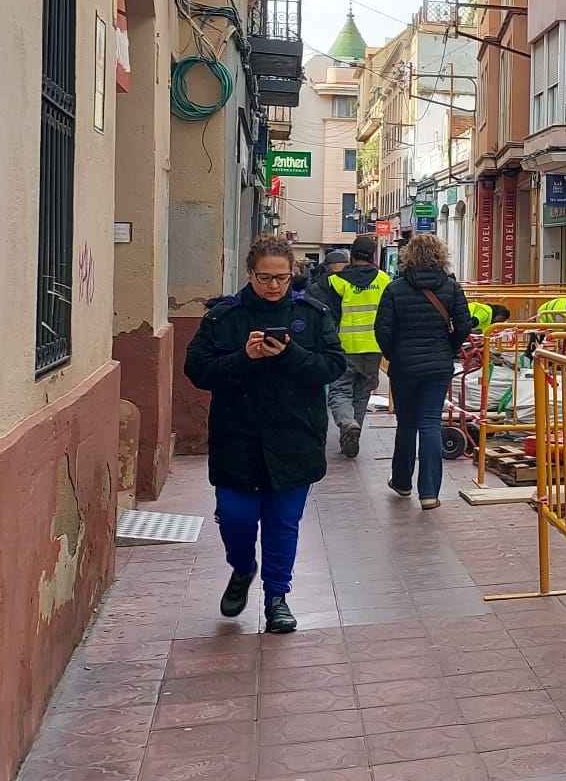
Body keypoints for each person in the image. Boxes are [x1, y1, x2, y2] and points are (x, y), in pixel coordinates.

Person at [183, 234, 346, 633]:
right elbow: (197, 370)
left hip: (295, 437)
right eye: (265, 277)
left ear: (293, 274)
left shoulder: (312, 314)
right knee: (235, 517)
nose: (274, 285)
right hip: (237, 437)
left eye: (282, 278)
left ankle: (277, 598)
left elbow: (333, 366)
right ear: (249, 273)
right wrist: (245, 356)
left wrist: (291, 354)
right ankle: (242, 568)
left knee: (282, 523)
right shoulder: (224, 317)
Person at [376, 233, 472, 509]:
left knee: (406, 423)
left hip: (404, 365)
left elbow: (382, 330)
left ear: (408, 256)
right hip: (438, 366)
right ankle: (429, 493)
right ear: (440, 256)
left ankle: (402, 481)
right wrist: (447, 348)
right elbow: (464, 326)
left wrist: (394, 354)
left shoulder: (394, 289)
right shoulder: (451, 288)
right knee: (430, 423)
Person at [310, 236, 388, 459]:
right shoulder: (383, 280)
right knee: (362, 394)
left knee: (339, 390)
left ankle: (347, 423)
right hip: (373, 347)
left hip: (343, 346)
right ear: (373, 255)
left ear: (351, 255)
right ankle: (353, 435)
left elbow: (321, 309)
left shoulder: (336, 281)